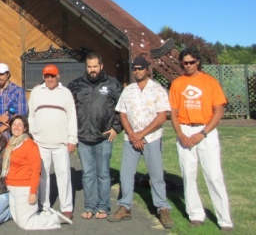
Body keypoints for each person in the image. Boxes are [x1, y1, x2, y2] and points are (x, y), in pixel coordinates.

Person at [169, 47, 233, 231]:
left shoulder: (210, 82)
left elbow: (219, 111)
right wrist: (180, 133)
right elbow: (173, 112)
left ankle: (224, 219)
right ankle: (195, 214)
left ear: (198, 61)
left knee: (214, 176)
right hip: (185, 130)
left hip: (206, 132)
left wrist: (203, 133)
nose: (187, 66)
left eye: (191, 62)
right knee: (188, 176)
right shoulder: (177, 84)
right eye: (184, 63)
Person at [109, 56, 173, 228]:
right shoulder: (128, 90)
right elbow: (122, 114)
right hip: (131, 139)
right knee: (126, 174)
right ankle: (125, 206)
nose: (137, 71)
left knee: (156, 175)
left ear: (147, 70)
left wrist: (142, 134)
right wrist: (132, 134)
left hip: (152, 138)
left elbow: (161, 117)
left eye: (140, 68)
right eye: (134, 68)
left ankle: (162, 208)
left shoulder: (158, 90)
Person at [68, 52, 122, 219]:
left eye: (95, 67)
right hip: (83, 137)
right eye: (89, 67)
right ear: (86, 67)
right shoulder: (76, 85)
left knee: (103, 173)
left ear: (101, 66)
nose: (92, 70)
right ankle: (90, 206)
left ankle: (103, 206)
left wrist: (116, 128)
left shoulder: (112, 84)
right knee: (88, 174)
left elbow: (123, 108)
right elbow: (68, 108)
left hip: (103, 137)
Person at [4, 115, 72, 230]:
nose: (16, 127)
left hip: (24, 188)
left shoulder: (30, 145)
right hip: (12, 187)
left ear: (25, 128)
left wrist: (33, 192)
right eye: (14, 125)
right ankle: (45, 215)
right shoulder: (11, 143)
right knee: (16, 220)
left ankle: (55, 218)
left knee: (26, 224)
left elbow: (36, 170)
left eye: (19, 125)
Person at [28, 64, 77, 220]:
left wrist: (72, 139)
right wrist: (33, 135)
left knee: (64, 175)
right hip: (40, 143)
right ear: (43, 77)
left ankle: (67, 207)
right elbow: (31, 116)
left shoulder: (66, 93)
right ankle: (44, 205)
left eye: (52, 76)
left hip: (61, 144)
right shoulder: (36, 92)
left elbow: (72, 117)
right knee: (43, 176)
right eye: (47, 76)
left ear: (58, 77)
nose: (50, 79)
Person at [0, 63, 27, 138]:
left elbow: (21, 115)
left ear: (8, 74)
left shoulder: (18, 91)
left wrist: (2, 128)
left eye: (1, 74)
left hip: (13, 136)